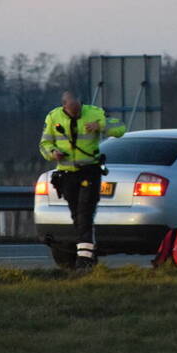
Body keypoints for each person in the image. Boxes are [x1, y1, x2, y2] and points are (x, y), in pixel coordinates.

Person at [39, 91, 126, 269]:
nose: (76, 114)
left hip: (90, 171)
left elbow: (120, 129)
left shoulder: (95, 112)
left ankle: (84, 259)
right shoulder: (53, 117)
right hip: (67, 173)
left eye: (78, 110)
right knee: (76, 214)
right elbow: (44, 144)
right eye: (72, 111)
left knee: (85, 211)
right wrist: (53, 153)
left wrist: (100, 126)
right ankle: (89, 252)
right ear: (64, 106)